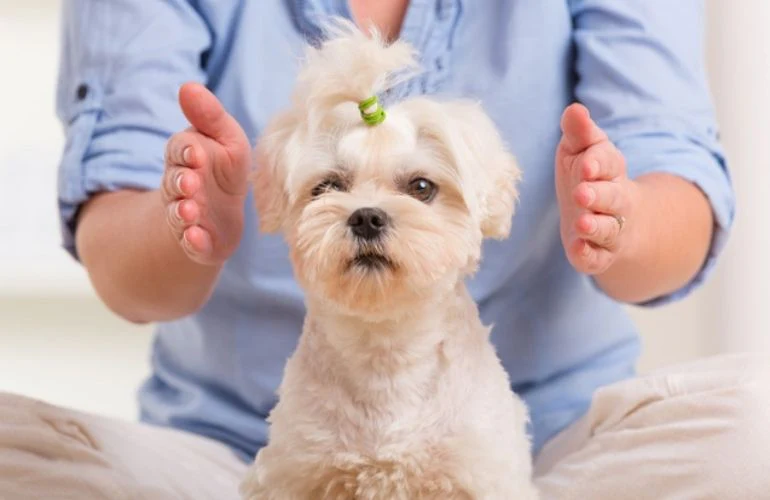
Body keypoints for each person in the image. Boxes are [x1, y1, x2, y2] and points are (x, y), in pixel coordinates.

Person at [1, 1, 768, 499]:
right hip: (230, 453)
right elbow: (127, 271)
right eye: (332, 187)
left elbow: (677, 177)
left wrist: (622, 219)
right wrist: (192, 227)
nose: (367, 215)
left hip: (557, 451)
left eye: (419, 190)